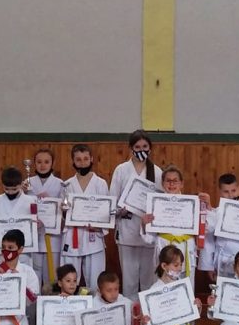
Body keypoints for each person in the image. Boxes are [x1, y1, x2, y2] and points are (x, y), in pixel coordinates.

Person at [110, 129, 164, 301]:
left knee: (148, 281)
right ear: (130, 148)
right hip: (127, 230)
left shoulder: (157, 171)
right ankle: (130, 315)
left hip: (148, 233)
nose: (142, 150)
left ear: (150, 148)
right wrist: (121, 209)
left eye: (145, 146)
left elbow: (161, 202)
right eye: (137, 147)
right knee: (129, 281)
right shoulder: (121, 170)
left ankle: (147, 314)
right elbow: (112, 200)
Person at [139, 245, 203, 325]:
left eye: (181, 265)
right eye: (176, 265)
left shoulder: (184, 287)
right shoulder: (153, 291)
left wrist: (197, 307)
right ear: (164, 266)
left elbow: (191, 315)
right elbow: (146, 324)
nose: (179, 268)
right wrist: (145, 322)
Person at [140, 165, 200, 290]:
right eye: (168, 181)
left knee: (186, 287)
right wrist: (144, 224)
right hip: (164, 246)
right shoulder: (155, 204)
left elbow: (201, 232)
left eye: (175, 181)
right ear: (162, 183)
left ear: (181, 184)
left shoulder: (192, 204)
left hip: (186, 247)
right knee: (163, 286)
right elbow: (149, 239)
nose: (171, 184)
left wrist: (201, 224)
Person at [61, 144, 109, 294]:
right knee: (68, 282)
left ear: (92, 159)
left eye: (85, 159)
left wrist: (99, 226)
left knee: (95, 282)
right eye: (78, 159)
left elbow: (106, 212)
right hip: (72, 236)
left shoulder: (100, 183)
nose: (82, 163)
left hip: (93, 236)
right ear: (73, 161)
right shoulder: (67, 184)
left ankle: (95, 307)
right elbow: (63, 214)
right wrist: (64, 212)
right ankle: (68, 307)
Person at [72, 271, 136, 325]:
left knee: (133, 320)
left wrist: (138, 314)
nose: (113, 294)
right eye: (109, 290)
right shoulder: (93, 303)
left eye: (116, 289)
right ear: (100, 291)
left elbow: (135, 308)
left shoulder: (122, 299)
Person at [26, 148, 64, 288]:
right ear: (34, 164)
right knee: (34, 280)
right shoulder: (27, 183)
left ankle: (51, 302)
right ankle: (33, 303)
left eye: (46, 162)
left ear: (52, 163)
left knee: (52, 279)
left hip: (53, 237)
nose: (43, 165)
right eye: (39, 162)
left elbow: (64, 210)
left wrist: (52, 201)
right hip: (33, 238)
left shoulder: (60, 184)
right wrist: (22, 193)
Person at [0, 167, 38, 268]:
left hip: (23, 253)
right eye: (6, 189)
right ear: (2, 185)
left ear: (21, 184)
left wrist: (37, 224)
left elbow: (34, 227)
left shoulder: (30, 201)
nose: (10, 192)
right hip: (2, 252)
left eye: (14, 189)